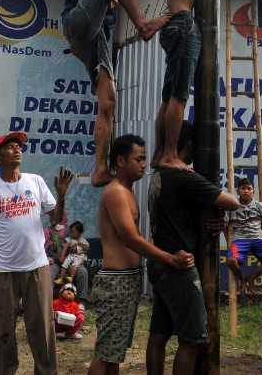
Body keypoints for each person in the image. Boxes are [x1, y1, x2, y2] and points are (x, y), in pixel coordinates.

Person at [61, 0, 190, 187]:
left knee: (108, 102)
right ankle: (142, 24)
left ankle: (100, 170)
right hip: (76, 21)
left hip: (94, 38)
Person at [0, 131, 73, 375]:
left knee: (42, 326)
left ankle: (46, 371)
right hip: (2, 269)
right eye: (10, 146)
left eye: (19, 146)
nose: (17, 149)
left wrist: (61, 196)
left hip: (37, 266)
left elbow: (57, 219)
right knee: (2, 329)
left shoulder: (35, 181)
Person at [88, 134, 195, 375]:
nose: (143, 164)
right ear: (121, 161)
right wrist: (170, 259)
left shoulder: (127, 190)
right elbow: (131, 239)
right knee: (105, 354)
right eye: (138, 159)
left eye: (144, 159)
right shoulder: (116, 192)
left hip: (127, 279)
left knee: (113, 353)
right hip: (116, 282)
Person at [145, 121, 240, 375]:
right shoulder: (183, 176)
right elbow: (232, 202)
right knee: (194, 339)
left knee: (159, 334)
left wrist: (217, 216)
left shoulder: (159, 173)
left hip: (159, 262)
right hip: (179, 265)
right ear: (189, 145)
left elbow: (186, 210)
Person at [150, 0, 230, 172]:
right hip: (184, 24)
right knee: (180, 96)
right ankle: (170, 154)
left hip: (176, 24)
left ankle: (159, 153)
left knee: (169, 96)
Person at [225, 177, 262, 293]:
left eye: (249, 189)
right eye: (243, 188)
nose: (246, 191)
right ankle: (242, 278)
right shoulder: (232, 206)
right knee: (231, 261)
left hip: (258, 239)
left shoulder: (259, 206)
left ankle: (251, 277)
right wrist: (228, 240)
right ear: (237, 191)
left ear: (253, 192)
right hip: (239, 240)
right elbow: (225, 224)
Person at [45, 214, 89, 308]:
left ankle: (81, 301)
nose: (52, 218)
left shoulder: (71, 230)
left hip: (70, 260)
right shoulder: (47, 231)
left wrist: (77, 249)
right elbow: (42, 247)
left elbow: (82, 243)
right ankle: (47, 303)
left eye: (55, 215)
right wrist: (47, 258)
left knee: (83, 272)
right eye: (51, 216)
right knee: (48, 273)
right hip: (54, 262)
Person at [55, 221, 89, 286]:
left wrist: (80, 245)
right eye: (70, 232)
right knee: (64, 265)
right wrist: (62, 255)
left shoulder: (82, 240)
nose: (71, 234)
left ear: (79, 233)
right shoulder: (70, 239)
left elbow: (87, 247)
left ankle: (71, 278)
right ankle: (61, 279)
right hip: (71, 255)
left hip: (79, 257)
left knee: (74, 266)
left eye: (73, 232)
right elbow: (66, 247)